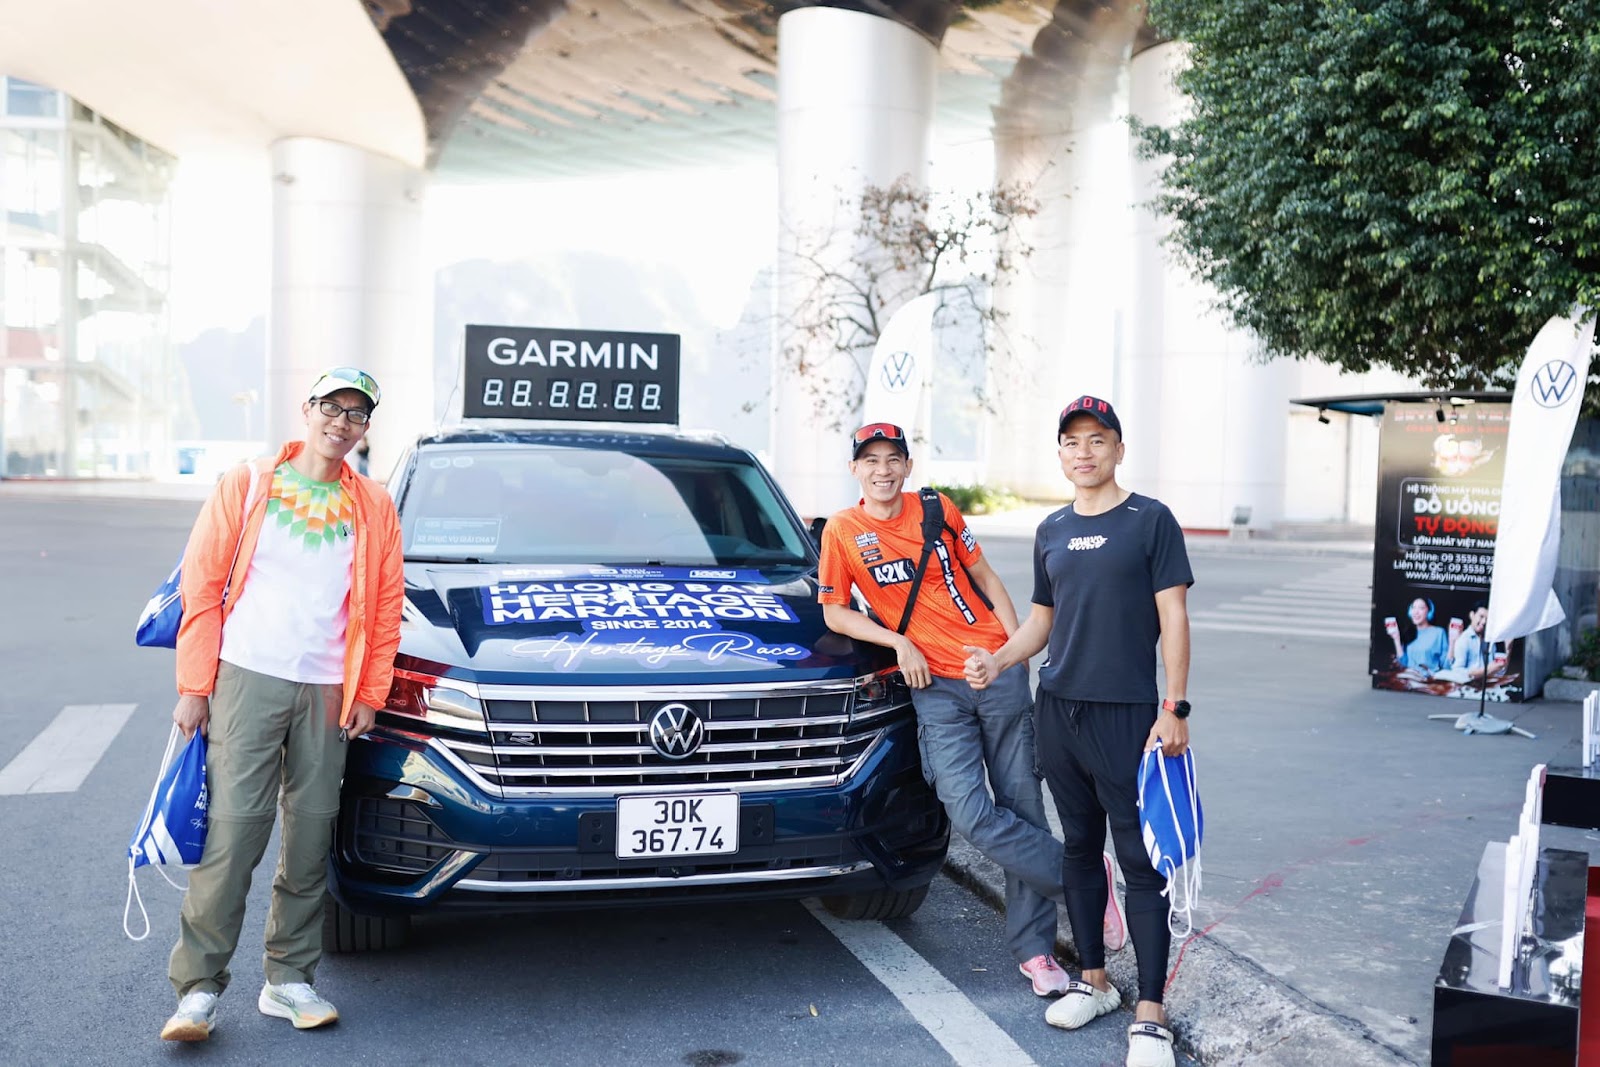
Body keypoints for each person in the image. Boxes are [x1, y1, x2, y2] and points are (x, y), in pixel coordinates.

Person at [159, 367, 406, 1042]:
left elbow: (384, 610)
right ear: (308, 409)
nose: (342, 421)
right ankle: (198, 991)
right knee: (234, 834)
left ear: (364, 427)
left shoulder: (374, 506)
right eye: (333, 406)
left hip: (329, 689)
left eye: (357, 413)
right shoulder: (249, 483)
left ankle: (288, 978)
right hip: (247, 678)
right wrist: (193, 686)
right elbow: (202, 586)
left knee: (309, 836)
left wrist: (369, 694)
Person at [964, 395, 1193, 1067]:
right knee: (1079, 850)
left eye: (1098, 439)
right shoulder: (1053, 529)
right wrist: (999, 658)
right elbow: (1043, 620)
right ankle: (1094, 979)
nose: (1084, 451)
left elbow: (1174, 617)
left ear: (1119, 449)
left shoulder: (1150, 521)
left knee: (1139, 858)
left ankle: (1151, 1012)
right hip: (1058, 710)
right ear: (1060, 454)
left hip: (1126, 712)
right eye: (1072, 441)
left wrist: (1174, 706)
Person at [816, 422, 1072, 998]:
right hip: (934, 686)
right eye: (870, 460)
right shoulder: (843, 530)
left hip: (994, 672)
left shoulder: (937, 510)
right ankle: (1083, 881)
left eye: (893, 460)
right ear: (855, 469)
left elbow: (985, 577)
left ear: (907, 467)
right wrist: (898, 642)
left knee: (1023, 806)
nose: (882, 470)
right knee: (970, 811)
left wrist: (1011, 653)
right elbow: (834, 613)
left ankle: (1035, 951)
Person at [1388, 597, 1448, 674]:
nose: (1416, 612)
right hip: (1410, 680)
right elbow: (1403, 664)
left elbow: (1446, 665)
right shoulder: (1408, 632)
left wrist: (1453, 641)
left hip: (1429, 681)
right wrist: (1396, 639)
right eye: (1413, 607)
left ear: (1429, 611)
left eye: (1421, 608)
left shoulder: (1439, 632)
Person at [1449, 603, 1496, 678]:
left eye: (1487, 619)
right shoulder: (1463, 639)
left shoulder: (1489, 641)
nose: (1484, 622)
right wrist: (1483, 671)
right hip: (1469, 687)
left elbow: (1495, 670)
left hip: (1489, 686)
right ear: (1472, 615)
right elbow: (1457, 671)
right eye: (1481, 616)